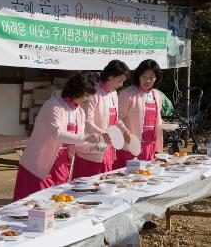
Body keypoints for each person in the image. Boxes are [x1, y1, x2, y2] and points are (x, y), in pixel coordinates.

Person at [13, 72, 102, 201]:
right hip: (40, 163)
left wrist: (94, 147)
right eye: (87, 95)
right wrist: (86, 137)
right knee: (33, 204)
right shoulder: (53, 105)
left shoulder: (80, 112)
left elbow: (77, 142)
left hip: (62, 165)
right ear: (77, 90)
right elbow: (57, 134)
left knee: (56, 203)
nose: (87, 100)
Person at [73, 60, 131, 178]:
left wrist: (125, 130)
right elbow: (86, 121)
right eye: (120, 81)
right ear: (110, 77)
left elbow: (115, 118)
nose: (121, 85)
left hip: (108, 147)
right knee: (90, 185)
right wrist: (102, 134)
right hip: (91, 148)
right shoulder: (93, 93)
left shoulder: (113, 93)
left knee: (105, 181)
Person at [113, 59, 164, 169]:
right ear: (138, 76)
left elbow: (155, 118)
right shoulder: (127, 93)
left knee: (147, 175)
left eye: (151, 77)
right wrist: (125, 131)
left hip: (150, 144)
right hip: (131, 143)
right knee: (128, 178)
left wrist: (164, 124)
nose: (148, 81)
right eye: (144, 77)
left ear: (156, 78)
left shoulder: (157, 95)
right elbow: (116, 117)